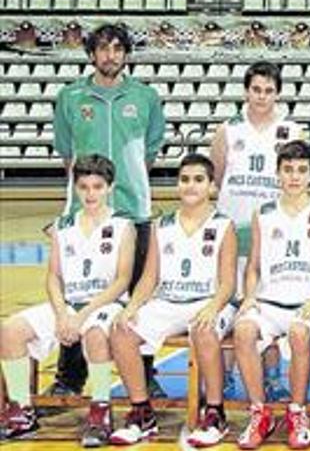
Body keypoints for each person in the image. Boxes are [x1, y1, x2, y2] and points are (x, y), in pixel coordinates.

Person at [51, 23, 166, 397]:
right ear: (91, 54)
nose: (110, 55)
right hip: (83, 213)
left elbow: (148, 153)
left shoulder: (146, 97)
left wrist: (129, 188)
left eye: (117, 48)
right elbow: (68, 154)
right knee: (76, 292)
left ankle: (144, 376)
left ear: (126, 54)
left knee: (139, 298)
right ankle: (69, 379)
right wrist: (85, 198)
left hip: (134, 210)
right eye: (103, 48)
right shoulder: (70, 97)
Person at [0, 155, 134, 445]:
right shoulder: (63, 226)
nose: (90, 194)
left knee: (97, 334)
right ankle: (22, 410)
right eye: (84, 186)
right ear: (75, 187)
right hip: (68, 304)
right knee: (10, 330)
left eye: (97, 186)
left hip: (105, 305)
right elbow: (53, 277)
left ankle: (100, 412)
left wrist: (81, 315)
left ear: (109, 187)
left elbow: (122, 280)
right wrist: (62, 314)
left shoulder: (123, 225)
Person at [108, 154, 237, 447]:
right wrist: (132, 306)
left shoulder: (223, 225)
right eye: (185, 179)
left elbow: (228, 282)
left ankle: (215, 411)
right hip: (169, 301)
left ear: (212, 186)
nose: (190, 186)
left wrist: (212, 307)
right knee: (121, 330)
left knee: (204, 330)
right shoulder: (161, 225)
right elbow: (150, 277)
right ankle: (141, 411)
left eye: (198, 180)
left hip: (208, 299)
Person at [234, 141, 310, 449]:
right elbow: (253, 265)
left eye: (302, 171)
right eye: (288, 170)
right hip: (269, 301)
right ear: (277, 174)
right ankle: (260, 412)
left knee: (298, 333)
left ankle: (297, 411)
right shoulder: (264, 213)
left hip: (309, 301)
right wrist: (249, 296)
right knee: (243, 330)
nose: (295, 177)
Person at [210, 61, 305, 401]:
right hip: (234, 228)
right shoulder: (227, 130)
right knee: (231, 304)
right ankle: (224, 379)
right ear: (246, 91)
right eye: (256, 89)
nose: (262, 96)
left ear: (277, 93)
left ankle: (272, 377)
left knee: (268, 302)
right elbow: (218, 177)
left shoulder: (291, 130)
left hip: (274, 231)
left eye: (269, 90)